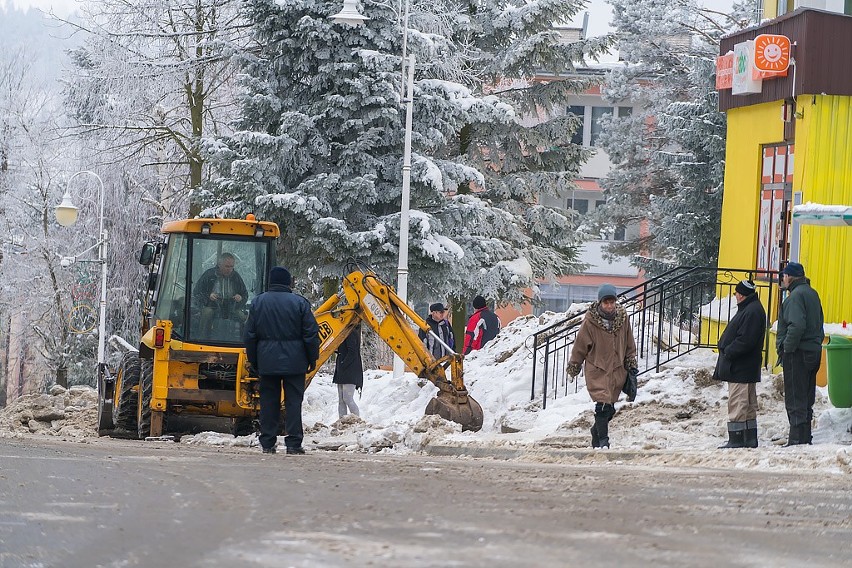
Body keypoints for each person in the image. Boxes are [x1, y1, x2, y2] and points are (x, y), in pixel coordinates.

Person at [244, 266, 319, 455]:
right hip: (295, 362)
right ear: (288, 283)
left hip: (267, 361)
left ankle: (268, 442)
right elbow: (311, 334)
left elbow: (250, 335)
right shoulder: (300, 303)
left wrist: (254, 360)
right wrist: (312, 358)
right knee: (294, 402)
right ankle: (293, 443)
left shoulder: (258, 303)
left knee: (269, 402)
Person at [566, 284, 637, 449]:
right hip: (597, 369)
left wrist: (630, 360)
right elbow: (580, 345)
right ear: (600, 303)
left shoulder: (622, 318)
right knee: (602, 405)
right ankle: (604, 442)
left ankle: (596, 432)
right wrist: (574, 364)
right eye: (606, 302)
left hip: (617, 369)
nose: (609, 306)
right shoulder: (590, 321)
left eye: (612, 302)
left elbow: (629, 341)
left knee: (610, 409)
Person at [713, 280, 766, 449]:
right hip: (745, 367)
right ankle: (749, 438)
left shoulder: (751, 311)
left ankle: (736, 440)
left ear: (742, 294)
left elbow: (745, 340)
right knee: (748, 404)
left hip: (740, 367)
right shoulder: (752, 309)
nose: (735, 295)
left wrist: (728, 351)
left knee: (738, 402)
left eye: (736, 292)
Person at [776, 261, 824, 446]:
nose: (783, 279)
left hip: (798, 352)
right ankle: (805, 436)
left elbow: (796, 325)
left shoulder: (795, 297)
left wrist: (787, 348)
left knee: (795, 395)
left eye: (784, 276)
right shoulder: (812, 293)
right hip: (813, 350)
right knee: (806, 395)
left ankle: (796, 439)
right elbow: (819, 322)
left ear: (789, 277)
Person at [195, 252, 249, 336]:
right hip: (212, 306)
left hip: (232, 307)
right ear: (219, 265)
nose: (229, 269)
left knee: (244, 317)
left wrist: (240, 298)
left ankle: (244, 341)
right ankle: (202, 338)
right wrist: (209, 296)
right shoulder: (209, 275)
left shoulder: (236, 277)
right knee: (207, 313)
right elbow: (197, 292)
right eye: (227, 266)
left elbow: (245, 294)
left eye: (232, 267)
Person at [333, 324, 363, 419]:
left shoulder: (350, 332)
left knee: (347, 398)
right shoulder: (346, 332)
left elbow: (352, 351)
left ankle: (357, 420)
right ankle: (342, 421)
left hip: (350, 370)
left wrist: (343, 363)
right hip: (343, 370)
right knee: (341, 400)